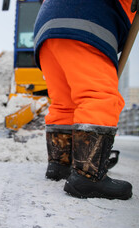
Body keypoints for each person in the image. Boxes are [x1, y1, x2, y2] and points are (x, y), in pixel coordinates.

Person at [33, 0, 138, 200]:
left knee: (64, 103)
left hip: (46, 29)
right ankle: (88, 177)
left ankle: (59, 164)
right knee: (98, 97)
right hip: (86, 20)